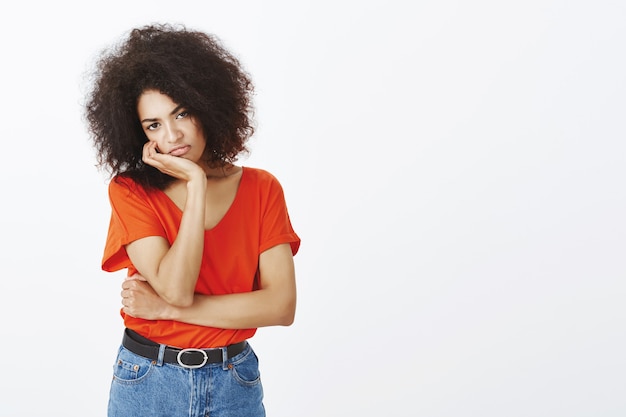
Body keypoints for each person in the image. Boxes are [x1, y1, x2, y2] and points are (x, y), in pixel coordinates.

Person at [84, 23, 300, 417]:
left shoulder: (262, 189)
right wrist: (197, 183)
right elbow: (177, 287)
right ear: (140, 135)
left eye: (181, 112)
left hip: (234, 380)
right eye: (154, 125)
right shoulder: (131, 191)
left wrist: (167, 311)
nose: (173, 134)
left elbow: (281, 306)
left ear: (207, 103)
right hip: (149, 380)